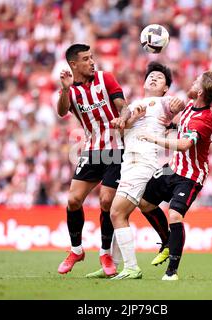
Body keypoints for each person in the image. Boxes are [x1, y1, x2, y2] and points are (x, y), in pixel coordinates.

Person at [86, 62, 186, 279]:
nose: (153, 78)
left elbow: (178, 105)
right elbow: (122, 134)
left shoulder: (162, 102)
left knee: (116, 212)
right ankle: (112, 266)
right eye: (150, 76)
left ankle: (131, 267)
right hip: (128, 163)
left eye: (159, 78)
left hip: (142, 162)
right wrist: (129, 119)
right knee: (124, 212)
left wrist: (180, 103)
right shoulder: (134, 105)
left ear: (166, 88)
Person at [137, 71, 212, 280]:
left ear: (200, 91)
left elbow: (184, 145)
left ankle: (172, 271)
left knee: (174, 215)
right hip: (173, 167)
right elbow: (183, 127)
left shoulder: (204, 119)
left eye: (196, 82)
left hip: (191, 175)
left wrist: (153, 138)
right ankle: (166, 240)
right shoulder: (190, 106)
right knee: (144, 203)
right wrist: (170, 126)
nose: (191, 83)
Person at [56, 43, 131, 276]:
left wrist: (122, 118)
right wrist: (66, 90)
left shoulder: (105, 79)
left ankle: (105, 253)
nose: (91, 62)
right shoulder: (71, 90)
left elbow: (124, 107)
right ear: (73, 64)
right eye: (86, 59)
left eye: (92, 57)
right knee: (73, 200)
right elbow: (61, 111)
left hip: (116, 149)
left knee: (106, 202)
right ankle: (76, 250)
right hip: (91, 150)